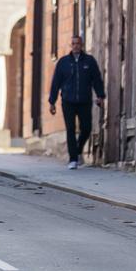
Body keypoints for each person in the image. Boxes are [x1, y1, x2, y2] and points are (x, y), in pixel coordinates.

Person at [48, 35, 105, 170]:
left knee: (86, 128)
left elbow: (96, 79)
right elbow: (56, 83)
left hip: (84, 100)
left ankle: (78, 150)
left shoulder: (89, 61)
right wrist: (52, 101)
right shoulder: (63, 62)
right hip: (68, 101)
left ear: (82, 45)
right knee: (70, 129)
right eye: (73, 43)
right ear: (71, 45)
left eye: (78, 43)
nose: (76, 46)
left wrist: (100, 96)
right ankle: (73, 159)